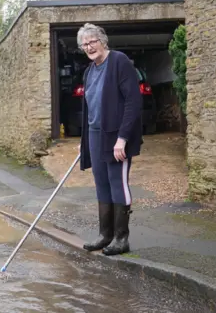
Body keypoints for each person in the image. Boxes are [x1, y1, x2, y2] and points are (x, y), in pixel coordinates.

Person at [77, 23, 143, 256]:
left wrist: (122, 138)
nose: (89, 47)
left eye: (92, 41)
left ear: (103, 41)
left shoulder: (119, 62)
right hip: (95, 134)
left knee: (118, 183)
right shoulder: (89, 71)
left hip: (116, 135)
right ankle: (105, 235)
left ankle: (121, 238)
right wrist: (84, 140)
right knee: (102, 183)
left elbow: (133, 102)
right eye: (84, 44)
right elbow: (90, 108)